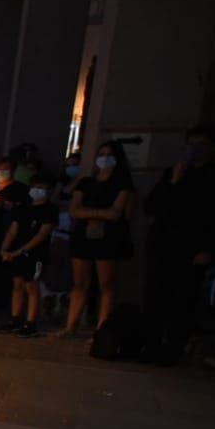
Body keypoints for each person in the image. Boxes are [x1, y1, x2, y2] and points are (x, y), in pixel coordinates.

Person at [141, 123, 215, 365]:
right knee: (155, 298)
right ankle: (151, 346)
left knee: (183, 302)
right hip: (163, 247)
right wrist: (174, 180)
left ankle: (172, 350)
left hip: (193, 250)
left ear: (213, 147)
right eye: (191, 144)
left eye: (202, 145)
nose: (195, 149)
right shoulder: (175, 173)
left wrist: (210, 249)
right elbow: (152, 207)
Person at [60, 141, 134, 337]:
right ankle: (70, 326)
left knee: (106, 285)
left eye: (109, 154)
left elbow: (116, 214)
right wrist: (101, 213)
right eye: (101, 154)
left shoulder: (122, 184)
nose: (104, 158)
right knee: (79, 283)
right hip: (83, 236)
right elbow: (74, 210)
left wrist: (90, 212)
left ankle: (102, 330)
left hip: (108, 238)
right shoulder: (86, 182)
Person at [0, 174, 58, 337]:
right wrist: (4, 248)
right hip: (17, 251)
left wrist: (21, 251)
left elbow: (42, 234)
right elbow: (13, 229)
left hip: (34, 253)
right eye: (35, 187)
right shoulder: (23, 207)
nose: (37, 191)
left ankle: (31, 322)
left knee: (31, 285)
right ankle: (15, 318)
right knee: (17, 284)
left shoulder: (50, 210)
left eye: (41, 188)